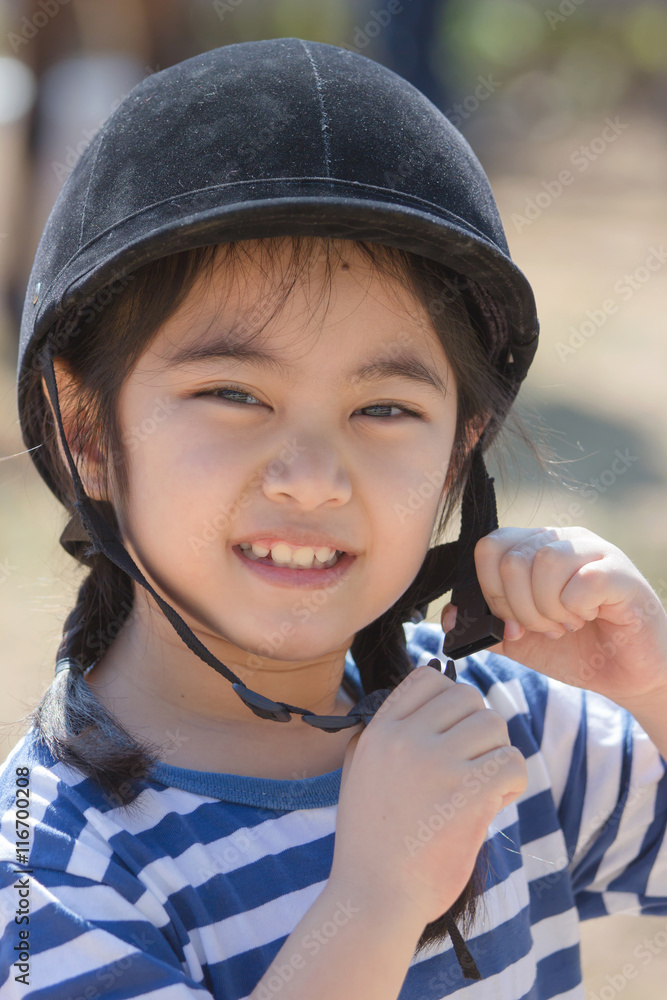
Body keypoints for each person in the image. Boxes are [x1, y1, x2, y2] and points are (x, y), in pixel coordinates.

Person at [1, 37, 666, 1000]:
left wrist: (651, 689)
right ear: (87, 433)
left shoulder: (497, 728)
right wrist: (376, 900)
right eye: (232, 393)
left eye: (385, 409)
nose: (312, 479)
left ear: (459, 449)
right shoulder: (47, 866)